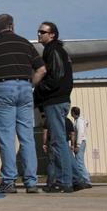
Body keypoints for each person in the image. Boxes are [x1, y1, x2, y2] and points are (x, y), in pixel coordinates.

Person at [0, 13, 46, 194]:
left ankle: (9, 181)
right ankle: (31, 182)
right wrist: (29, 85)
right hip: (24, 88)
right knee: (27, 137)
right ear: (12, 26)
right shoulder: (25, 43)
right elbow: (41, 69)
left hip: (2, 89)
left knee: (6, 137)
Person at [35, 21, 77, 193]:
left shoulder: (52, 50)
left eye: (42, 31)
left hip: (55, 101)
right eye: (38, 31)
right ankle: (77, 178)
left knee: (58, 142)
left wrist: (38, 91)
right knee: (60, 142)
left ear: (52, 34)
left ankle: (64, 181)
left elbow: (56, 77)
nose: (39, 34)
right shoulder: (59, 50)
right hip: (61, 99)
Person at [70, 107, 92, 189]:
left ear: (73, 113)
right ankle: (82, 180)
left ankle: (87, 181)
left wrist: (78, 145)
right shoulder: (78, 120)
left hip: (80, 142)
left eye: (71, 112)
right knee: (78, 162)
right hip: (80, 142)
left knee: (79, 163)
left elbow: (80, 133)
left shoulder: (79, 121)